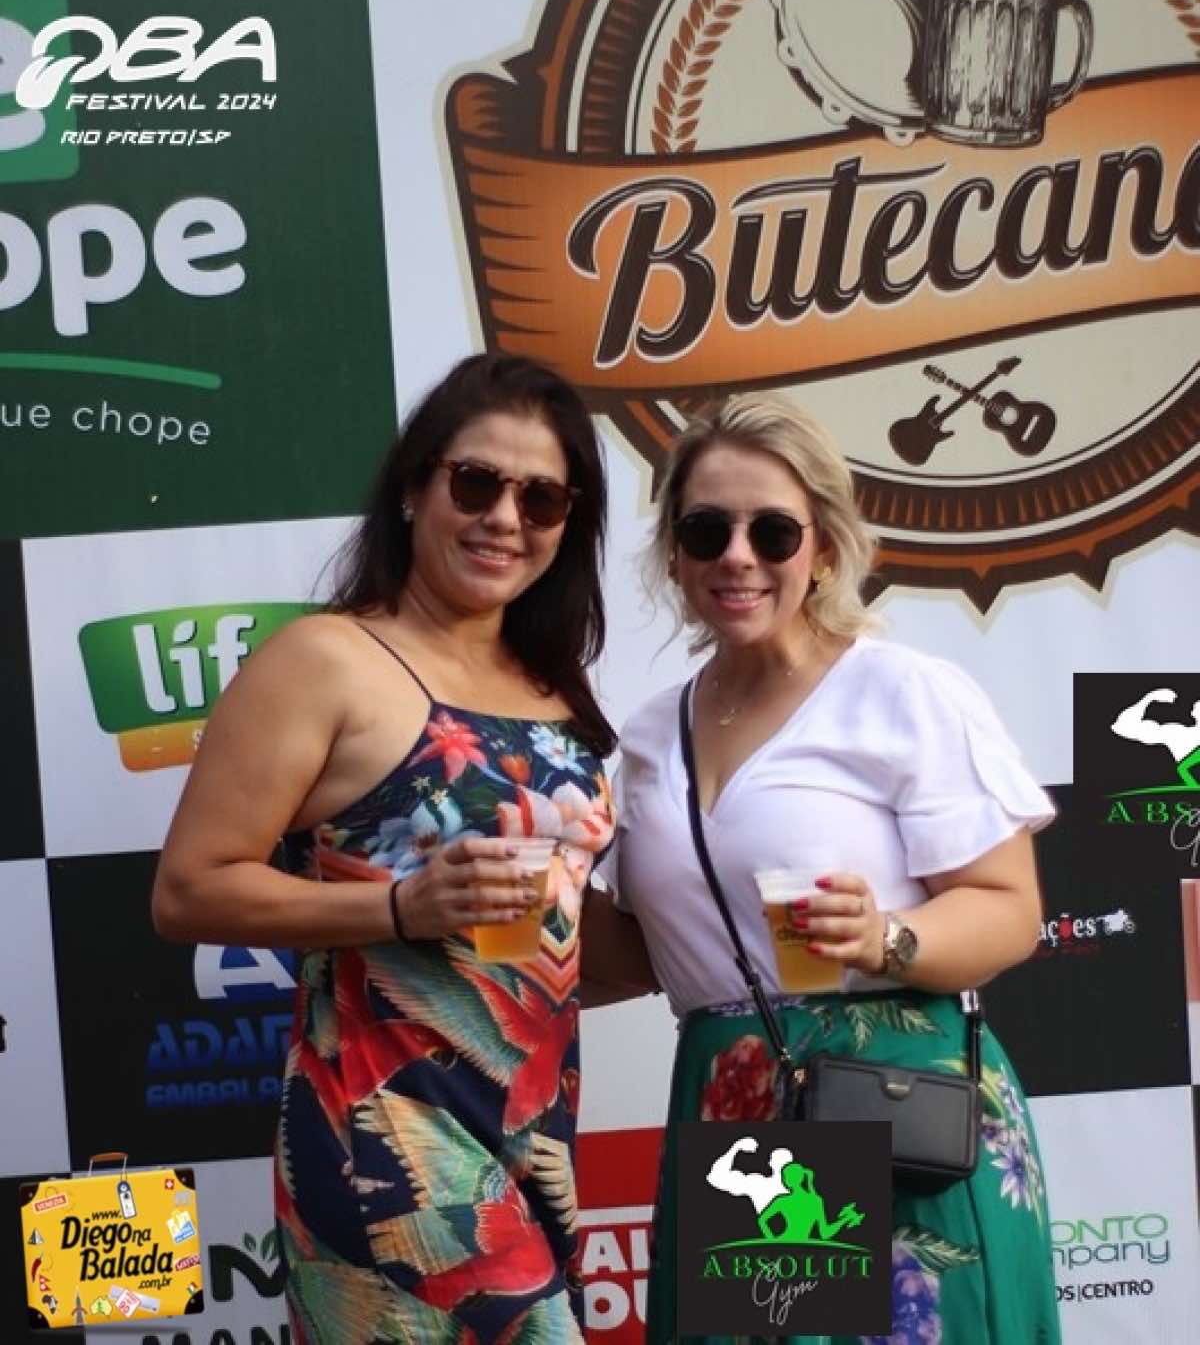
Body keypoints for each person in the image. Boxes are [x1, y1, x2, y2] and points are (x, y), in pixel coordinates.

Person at [152, 353, 618, 1342]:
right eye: (476, 483)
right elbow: (188, 890)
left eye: (541, 498)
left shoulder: (554, 689)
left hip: (532, 1135)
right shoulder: (324, 658)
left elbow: (558, 935)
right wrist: (398, 907)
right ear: (415, 487)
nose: (505, 518)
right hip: (386, 1136)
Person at [594, 393, 1060, 1343]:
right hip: (739, 1106)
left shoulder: (899, 690)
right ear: (674, 553)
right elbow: (648, 956)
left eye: (773, 531)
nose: (738, 556)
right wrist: (510, 892)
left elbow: (1010, 910)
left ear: (824, 548)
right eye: (707, 530)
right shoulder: (649, 736)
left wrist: (887, 936)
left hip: (893, 1101)